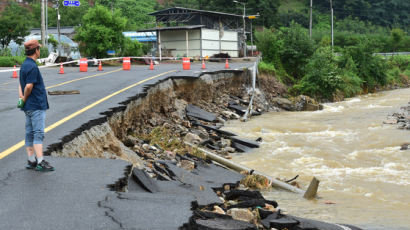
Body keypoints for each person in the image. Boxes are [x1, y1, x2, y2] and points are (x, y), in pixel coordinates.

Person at [18, 39, 54, 172]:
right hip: (36, 105)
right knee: (38, 133)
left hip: (27, 107)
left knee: (29, 133)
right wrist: (26, 97)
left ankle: (31, 160)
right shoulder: (32, 66)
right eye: (39, 48)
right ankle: (40, 161)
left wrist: (22, 99)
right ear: (36, 51)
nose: (39, 50)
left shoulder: (24, 65)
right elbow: (28, 86)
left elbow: (20, 85)